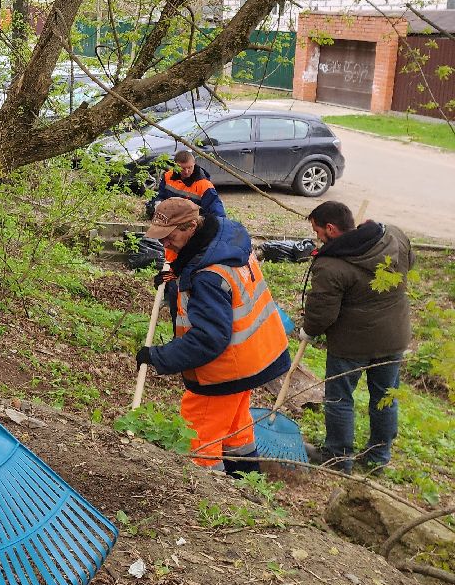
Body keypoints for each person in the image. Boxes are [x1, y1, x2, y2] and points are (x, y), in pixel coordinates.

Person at [135, 197, 291, 475]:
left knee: (200, 435)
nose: (165, 244)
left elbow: (208, 338)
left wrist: (157, 356)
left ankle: (208, 490)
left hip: (225, 370)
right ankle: (246, 482)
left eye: (170, 236)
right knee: (235, 429)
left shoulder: (208, 276)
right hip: (252, 357)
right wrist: (174, 280)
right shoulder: (225, 240)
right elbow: (201, 277)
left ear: (191, 226)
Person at [303, 200, 413, 475]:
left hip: (350, 345)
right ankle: (378, 458)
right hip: (393, 337)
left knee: (339, 398)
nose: (317, 237)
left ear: (331, 228)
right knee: (385, 398)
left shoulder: (330, 265)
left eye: (317, 231)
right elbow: (409, 263)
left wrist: (309, 330)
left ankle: (339, 457)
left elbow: (322, 313)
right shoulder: (393, 237)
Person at [146, 148, 225, 219]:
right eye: (183, 168)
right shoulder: (168, 176)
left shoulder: (204, 185)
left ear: (194, 164)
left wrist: (220, 223)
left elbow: (216, 209)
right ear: (175, 166)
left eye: (190, 167)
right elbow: (160, 196)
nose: (186, 172)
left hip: (193, 221)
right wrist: (156, 205)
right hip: (171, 217)